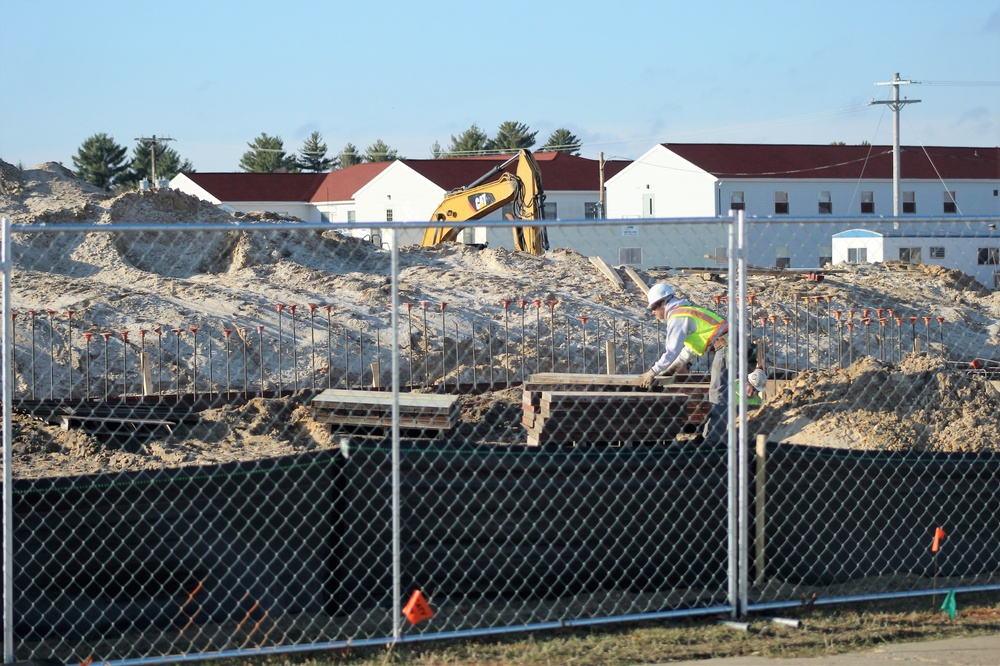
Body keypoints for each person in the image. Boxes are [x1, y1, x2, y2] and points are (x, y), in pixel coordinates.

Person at [639, 283, 728, 389]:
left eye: (654, 307)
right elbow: (692, 348)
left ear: (663, 303)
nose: (653, 312)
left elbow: (672, 350)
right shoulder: (684, 312)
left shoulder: (677, 317)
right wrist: (674, 366)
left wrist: (653, 371)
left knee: (717, 390)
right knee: (724, 387)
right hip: (731, 343)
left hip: (726, 346)